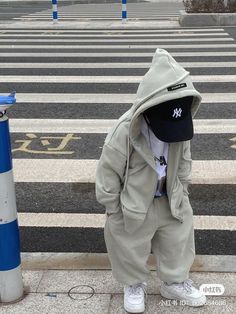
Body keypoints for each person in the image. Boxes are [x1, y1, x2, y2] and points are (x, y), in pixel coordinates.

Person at [95, 48, 207, 313]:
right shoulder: (125, 131)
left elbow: (184, 161)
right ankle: (133, 283)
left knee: (178, 239)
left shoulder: (179, 129)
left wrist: (183, 188)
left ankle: (175, 280)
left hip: (171, 197)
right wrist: (113, 208)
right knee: (128, 243)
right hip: (135, 201)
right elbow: (108, 171)